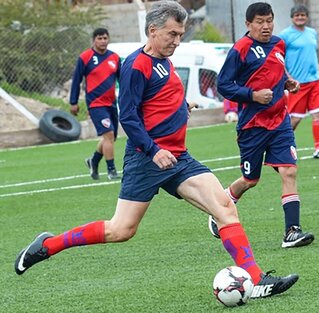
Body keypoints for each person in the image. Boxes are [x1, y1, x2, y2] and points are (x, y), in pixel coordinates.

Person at [14, 1, 298, 300]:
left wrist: (181, 107)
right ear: (153, 30)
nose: (177, 41)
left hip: (179, 158)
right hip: (146, 160)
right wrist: (152, 151)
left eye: (180, 35)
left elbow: (158, 100)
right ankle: (48, 245)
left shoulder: (165, 59)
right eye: (172, 34)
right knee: (121, 230)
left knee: (225, 208)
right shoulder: (136, 65)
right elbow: (128, 117)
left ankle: (255, 280)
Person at [209, 2, 315, 249]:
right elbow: (223, 85)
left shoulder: (279, 43)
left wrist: (288, 81)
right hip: (252, 126)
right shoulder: (240, 49)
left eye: (269, 21)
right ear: (248, 24)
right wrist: (253, 95)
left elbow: (277, 69)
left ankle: (292, 231)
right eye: (260, 22)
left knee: (289, 171)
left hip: (279, 122)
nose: (265, 26)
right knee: (250, 179)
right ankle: (220, 205)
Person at [279, 4, 319, 159]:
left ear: (307, 17)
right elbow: (279, 58)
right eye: (297, 15)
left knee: (318, 115)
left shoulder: (312, 33)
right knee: (295, 119)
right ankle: (281, 147)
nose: (300, 17)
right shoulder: (285, 35)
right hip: (299, 84)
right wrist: (288, 77)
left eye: (303, 15)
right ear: (292, 17)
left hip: (315, 81)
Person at [69, 28, 121, 180]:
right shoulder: (85, 57)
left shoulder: (114, 58)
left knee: (110, 138)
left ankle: (93, 160)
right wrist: (73, 102)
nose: (103, 41)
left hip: (111, 103)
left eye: (105, 38)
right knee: (109, 135)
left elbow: (122, 80)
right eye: (100, 38)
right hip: (96, 104)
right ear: (94, 40)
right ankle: (111, 171)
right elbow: (76, 80)